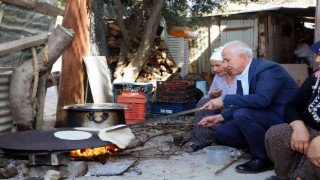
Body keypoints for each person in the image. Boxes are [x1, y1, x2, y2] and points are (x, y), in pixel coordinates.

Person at [199, 40, 299, 173]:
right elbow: (244, 102)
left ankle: (262, 159)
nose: (225, 65)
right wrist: (221, 117)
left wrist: (224, 99)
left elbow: (262, 100)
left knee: (243, 115)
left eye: (227, 60)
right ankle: (263, 146)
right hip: (263, 115)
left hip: (284, 117)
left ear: (242, 57)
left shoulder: (268, 69)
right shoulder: (242, 74)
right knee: (223, 132)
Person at [265, 41, 320, 180]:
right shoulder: (316, 77)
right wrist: (299, 127)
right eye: (318, 55)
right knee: (276, 134)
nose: (318, 60)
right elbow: (293, 105)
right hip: (310, 128)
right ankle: (285, 176)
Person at [186, 47, 237, 153]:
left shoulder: (240, 75)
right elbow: (210, 94)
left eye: (218, 65)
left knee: (228, 109)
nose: (214, 69)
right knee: (203, 103)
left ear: (227, 64)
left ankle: (226, 140)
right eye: (212, 66)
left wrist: (223, 98)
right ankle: (202, 139)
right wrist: (214, 95)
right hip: (218, 104)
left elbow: (243, 97)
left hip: (234, 106)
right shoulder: (218, 76)